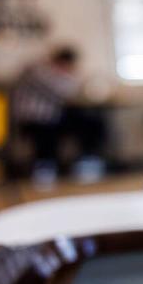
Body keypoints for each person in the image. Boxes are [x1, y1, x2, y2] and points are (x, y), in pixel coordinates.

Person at [12, 46, 105, 185]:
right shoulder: (38, 70)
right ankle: (44, 170)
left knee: (92, 122)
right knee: (47, 131)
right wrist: (71, 76)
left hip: (52, 117)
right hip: (33, 119)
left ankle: (87, 161)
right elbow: (65, 91)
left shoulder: (50, 72)